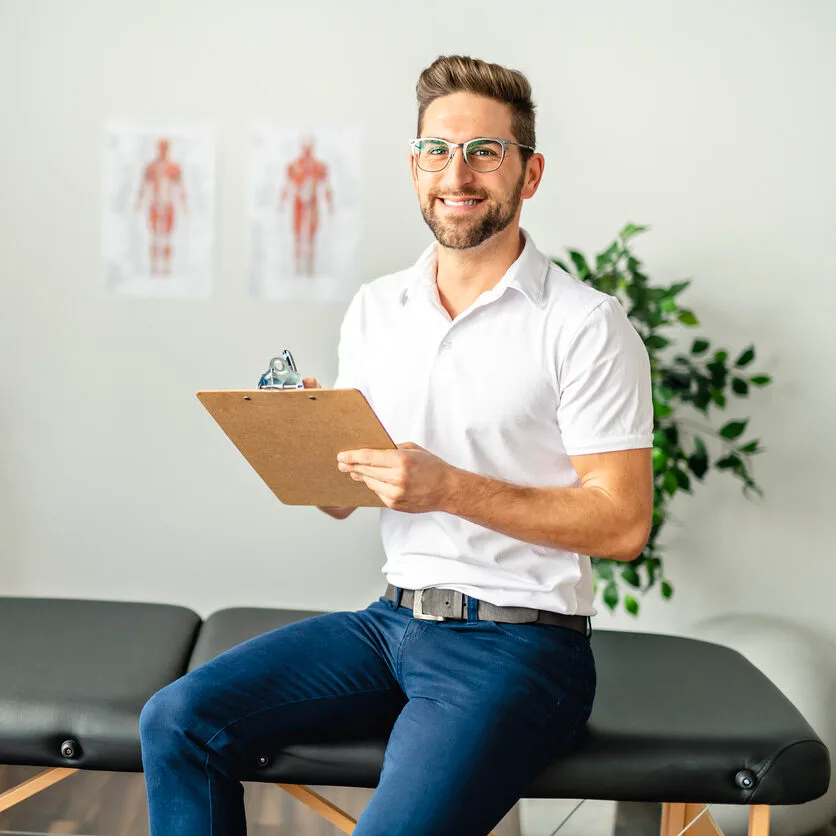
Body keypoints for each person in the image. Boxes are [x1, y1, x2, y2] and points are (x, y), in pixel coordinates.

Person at [139, 54, 654, 835]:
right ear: (415, 168)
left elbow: (621, 524)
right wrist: (308, 441)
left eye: (485, 151)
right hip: (390, 624)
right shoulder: (378, 308)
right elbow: (346, 501)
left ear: (530, 172)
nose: (457, 173)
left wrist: (448, 489)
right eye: (436, 151)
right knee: (177, 720)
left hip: (521, 646)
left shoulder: (584, 325)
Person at [278, 136, 334, 276]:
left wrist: (330, 203)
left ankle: (310, 264)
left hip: (312, 203)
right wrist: (282, 202)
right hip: (299, 203)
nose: (307, 151)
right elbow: (286, 185)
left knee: (312, 233)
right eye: (305, 147)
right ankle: (297, 264)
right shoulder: (294, 166)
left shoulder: (319, 166)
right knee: (297, 232)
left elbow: (326, 186)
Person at [135, 137, 187, 276]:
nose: (163, 150)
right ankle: (154, 267)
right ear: (158, 149)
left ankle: (166, 267)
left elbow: (180, 187)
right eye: (161, 147)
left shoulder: (174, 167)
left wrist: (184, 205)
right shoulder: (151, 167)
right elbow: (143, 186)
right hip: (155, 205)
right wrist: (139, 203)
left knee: (168, 237)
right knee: (154, 236)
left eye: (165, 148)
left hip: (168, 205)